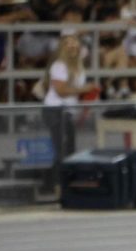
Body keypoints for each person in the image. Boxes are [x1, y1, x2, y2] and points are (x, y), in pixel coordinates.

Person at [41, 35, 100, 188]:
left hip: (68, 111)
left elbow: (74, 92)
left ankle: (58, 183)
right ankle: (56, 184)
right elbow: (60, 91)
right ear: (62, 48)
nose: (72, 47)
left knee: (69, 149)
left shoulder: (80, 68)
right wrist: (84, 89)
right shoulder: (59, 66)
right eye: (68, 45)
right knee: (62, 149)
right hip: (55, 110)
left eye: (75, 45)